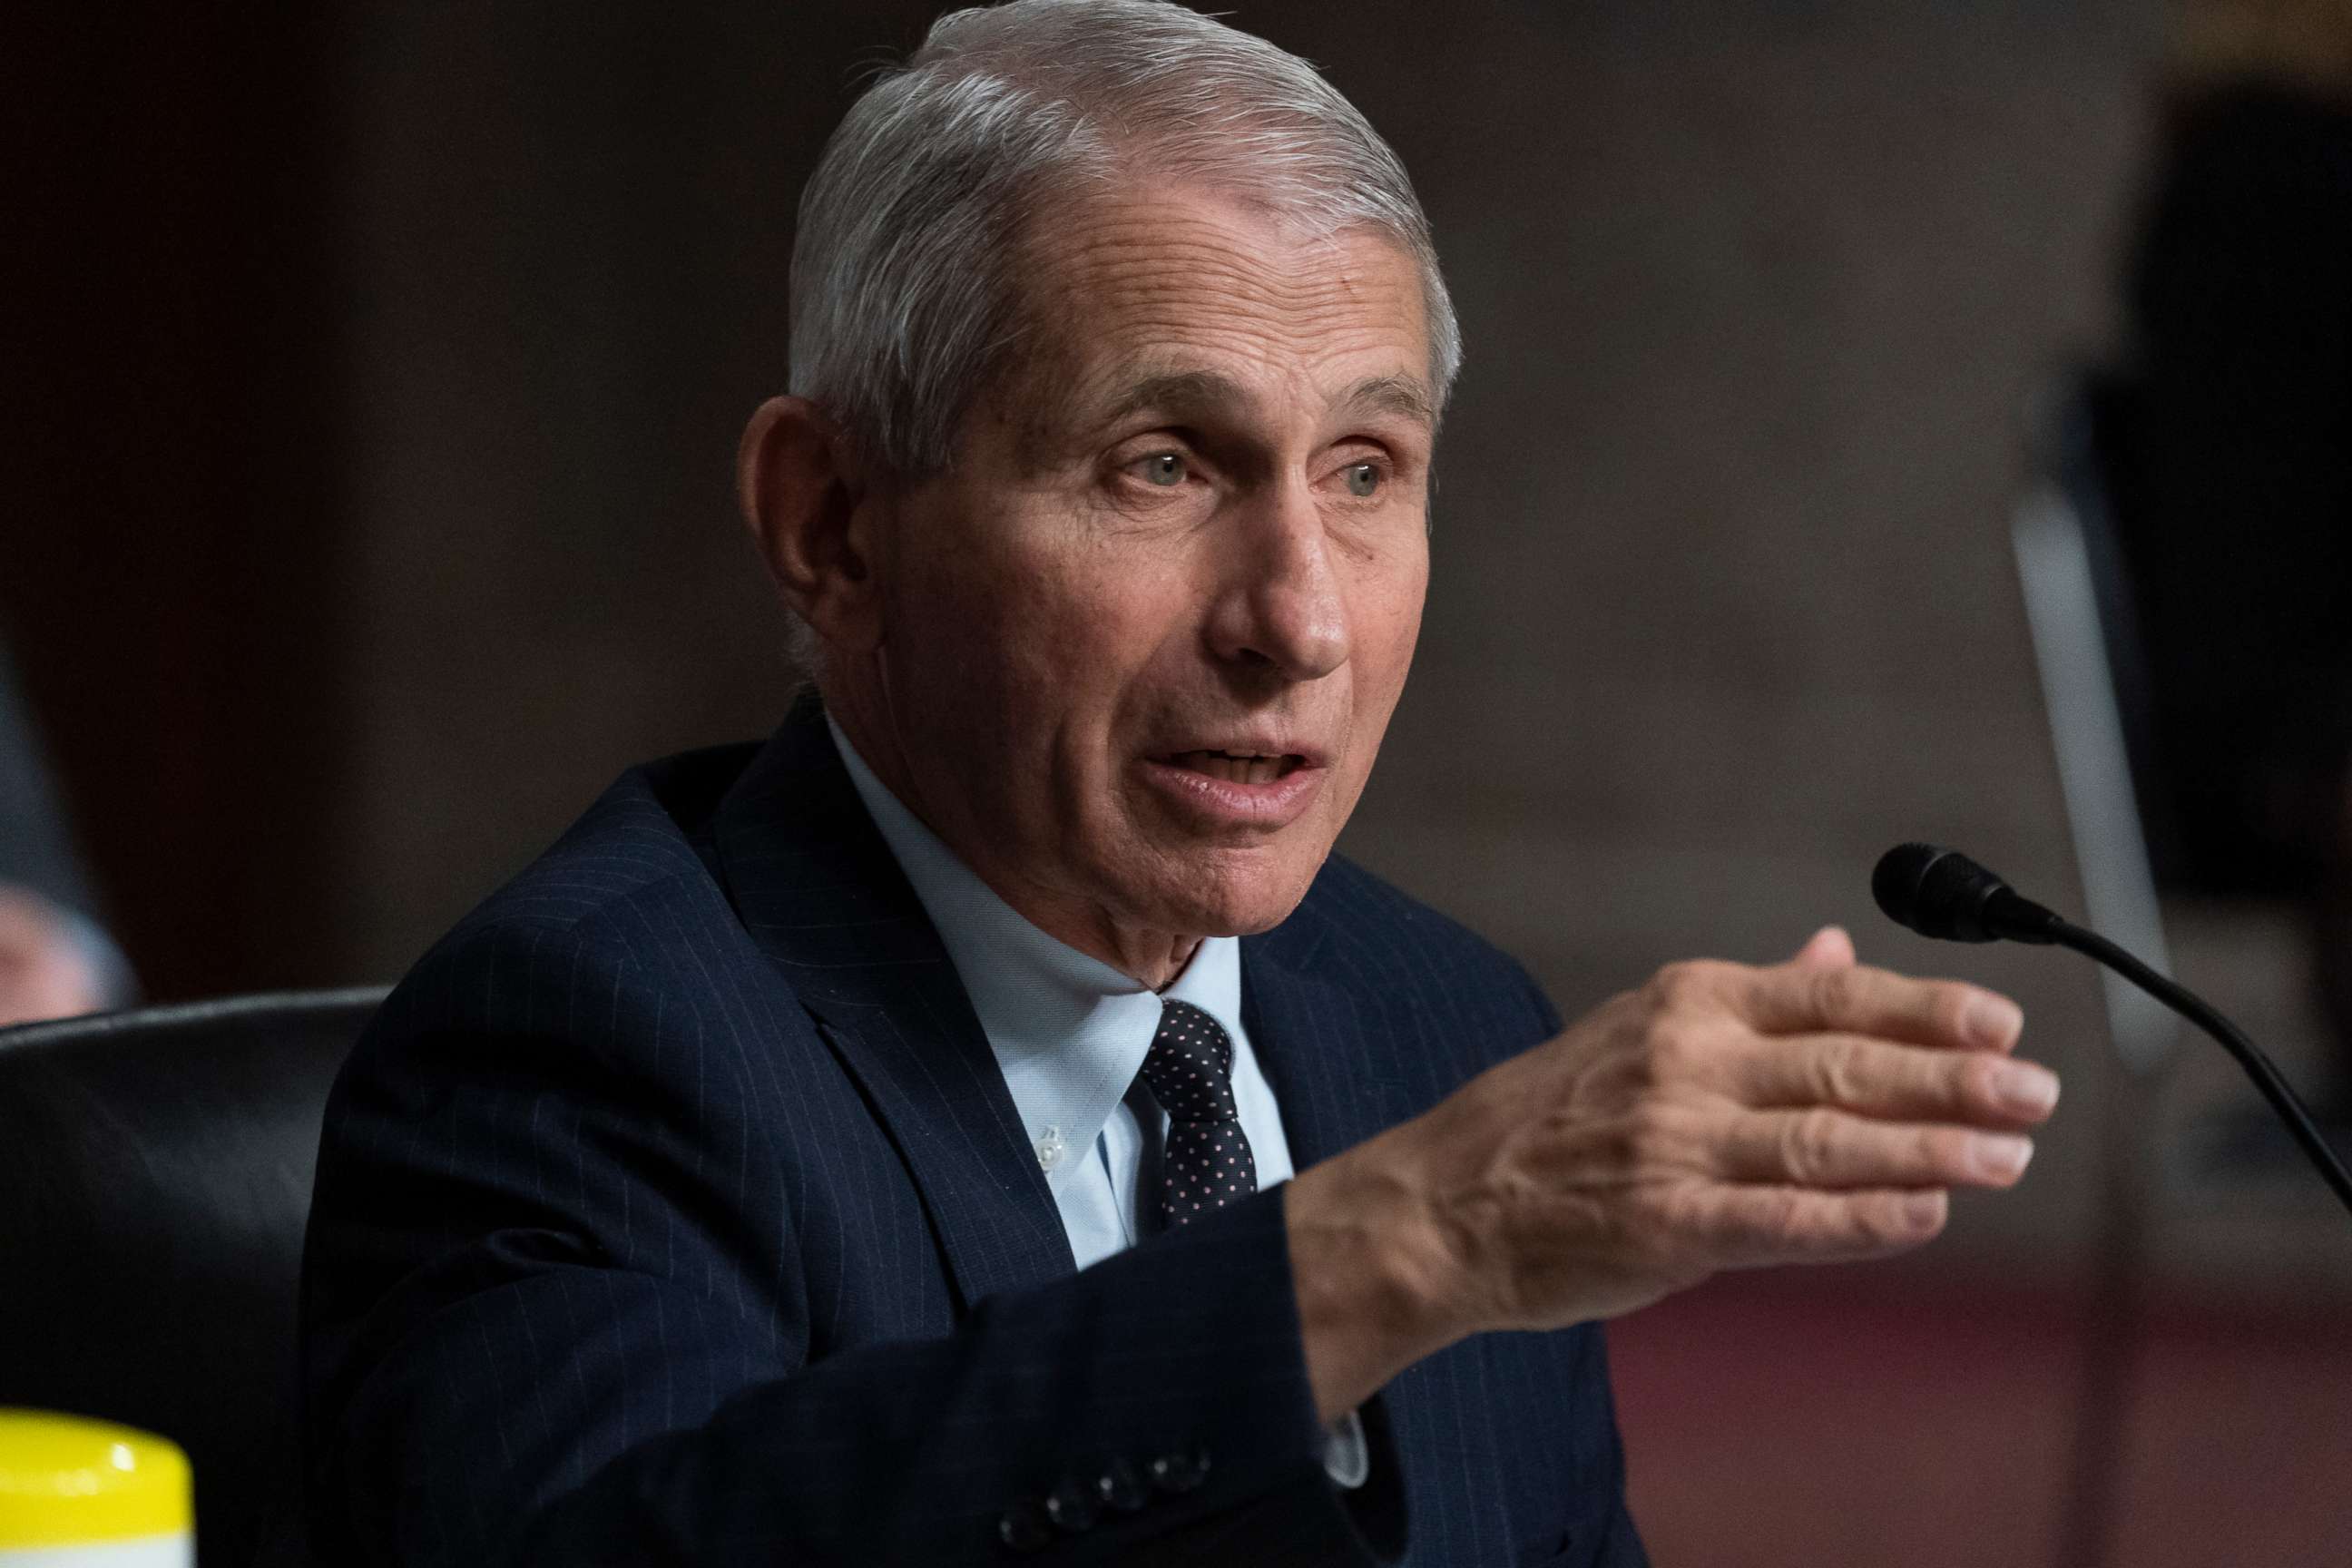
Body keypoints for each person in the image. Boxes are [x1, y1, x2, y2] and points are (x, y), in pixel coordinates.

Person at [298, 4, 2062, 1563]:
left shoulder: (1436, 1021)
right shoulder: (586, 1043)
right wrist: (1395, 1241)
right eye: (1160, 463)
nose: (1299, 618)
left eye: (1365, 470)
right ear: (833, 525)